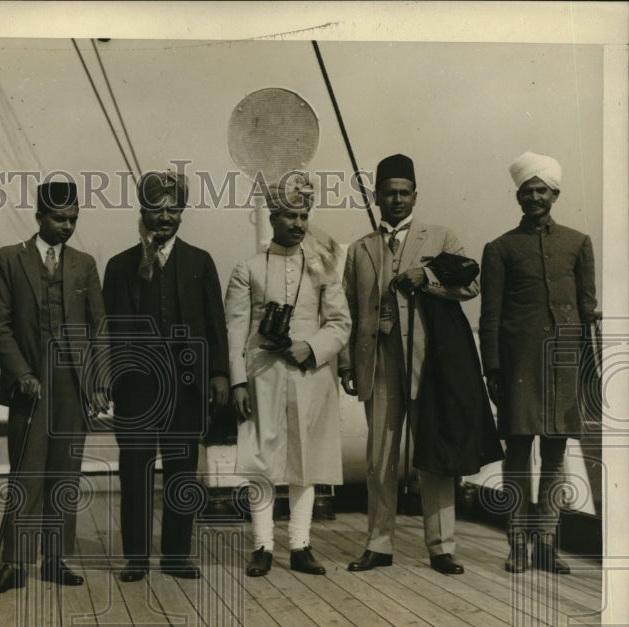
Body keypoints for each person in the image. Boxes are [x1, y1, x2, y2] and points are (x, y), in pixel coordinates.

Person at [338, 154, 477, 575]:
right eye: (389, 193)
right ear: (377, 197)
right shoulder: (360, 249)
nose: (397, 199)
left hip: (428, 363)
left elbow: (471, 284)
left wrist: (427, 278)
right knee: (380, 457)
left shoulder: (441, 237)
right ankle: (379, 544)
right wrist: (346, 364)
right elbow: (345, 311)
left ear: (415, 195)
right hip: (378, 363)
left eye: (404, 193)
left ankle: (442, 547)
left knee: (434, 452)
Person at [103, 170, 230, 582]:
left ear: (182, 213)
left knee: (181, 469)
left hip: (186, 385)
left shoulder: (200, 262)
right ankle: (136, 558)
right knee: (134, 470)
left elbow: (215, 324)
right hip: (135, 387)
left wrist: (219, 374)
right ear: (142, 211)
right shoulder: (119, 266)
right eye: (156, 209)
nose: (165, 217)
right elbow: (107, 330)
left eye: (173, 209)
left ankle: (176, 556)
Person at [224, 173, 351, 577]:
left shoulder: (323, 268)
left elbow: (340, 323)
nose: (298, 224)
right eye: (290, 216)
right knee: (262, 462)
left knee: (305, 460)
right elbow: (235, 330)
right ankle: (262, 546)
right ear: (274, 218)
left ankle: (300, 545)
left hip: (310, 376)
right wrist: (238, 382)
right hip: (262, 376)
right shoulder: (248, 268)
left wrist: (309, 347)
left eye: (304, 216)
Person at [479, 151, 599, 574]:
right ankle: (517, 543)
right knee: (516, 453)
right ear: (518, 195)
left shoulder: (578, 243)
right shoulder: (500, 248)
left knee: (555, 454)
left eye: (541, 190)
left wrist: (587, 369)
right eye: (527, 190)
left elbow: (588, 311)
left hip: (564, 365)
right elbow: (490, 316)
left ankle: (546, 544)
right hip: (518, 366)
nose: (534, 197)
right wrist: (492, 369)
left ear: (555, 194)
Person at [0, 181, 108, 594]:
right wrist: (21, 372)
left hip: (72, 384)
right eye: (59, 219)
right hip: (30, 383)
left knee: (65, 474)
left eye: (73, 219)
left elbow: (99, 327)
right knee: (26, 474)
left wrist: (98, 382)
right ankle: (14, 563)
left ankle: (56, 559)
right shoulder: (9, 258)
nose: (67, 226)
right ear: (39, 217)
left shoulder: (84, 264)